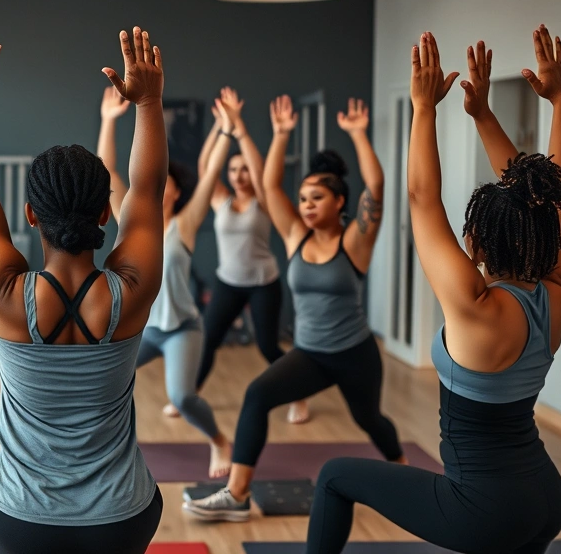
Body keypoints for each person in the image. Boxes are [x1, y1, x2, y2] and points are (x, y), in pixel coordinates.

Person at [305, 28, 561, 554]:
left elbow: (422, 197)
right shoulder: (557, 290)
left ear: (477, 244)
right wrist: (515, 110)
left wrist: (424, 109)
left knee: (335, 475)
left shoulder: (477, 307)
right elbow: (553, 194)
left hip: (484, 507)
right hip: (544, 495)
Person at [0, 19, 165, 554]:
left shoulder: (3, 293)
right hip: (120, 518)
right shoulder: (129, 292)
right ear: (106, 212)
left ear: (30, 214)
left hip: (21, 517)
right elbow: (150, 190)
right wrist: (149, 103)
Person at [184, 93, 404, 521]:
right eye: (302, 198)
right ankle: (237, 494)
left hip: (355, 354)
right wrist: (281, 135)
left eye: (316, 198)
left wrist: (359, 135)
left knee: (370, 420)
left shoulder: (355, 242)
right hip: (310, 354)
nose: (305, 205)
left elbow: (375, 188)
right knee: (257, 394)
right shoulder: (294, 236)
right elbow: (268, 186)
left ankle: (402, 468)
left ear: (340, 202)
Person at [98, 85, 233, 478]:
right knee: (104, 382)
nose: (159, 185)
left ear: (173, 191)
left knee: (182, 396)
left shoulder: (185, 225)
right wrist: (108, 121)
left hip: (180, 329)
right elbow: (106, 168)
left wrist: (224, 131)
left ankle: (219, 441)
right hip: (139, 329)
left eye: (167, 181)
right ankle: (111, 448)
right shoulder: (133, 222)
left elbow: (209, 176)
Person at [193, 86, 307, 424]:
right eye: (233, 170)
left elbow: (261, 173)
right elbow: (204, 167)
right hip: (229, 281)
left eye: (243, 169)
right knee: (208, 341)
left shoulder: (264, 200)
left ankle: (298, 396)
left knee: (268, 348)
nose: (239, 175)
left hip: (263, 282)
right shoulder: (220, 199)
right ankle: (189, 396)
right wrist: (221, 126)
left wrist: (240, 127)